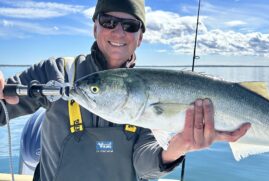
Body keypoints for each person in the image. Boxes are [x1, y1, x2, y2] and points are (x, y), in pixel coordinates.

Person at [0, 0, 251, 180]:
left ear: (140, 37)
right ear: (95, 27)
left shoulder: (151, 91)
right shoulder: (56, 73)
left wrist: (176, 149)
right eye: (108, 21)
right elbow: (3, 109)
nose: (118, 31)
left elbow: (144, 166)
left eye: (130, 26)